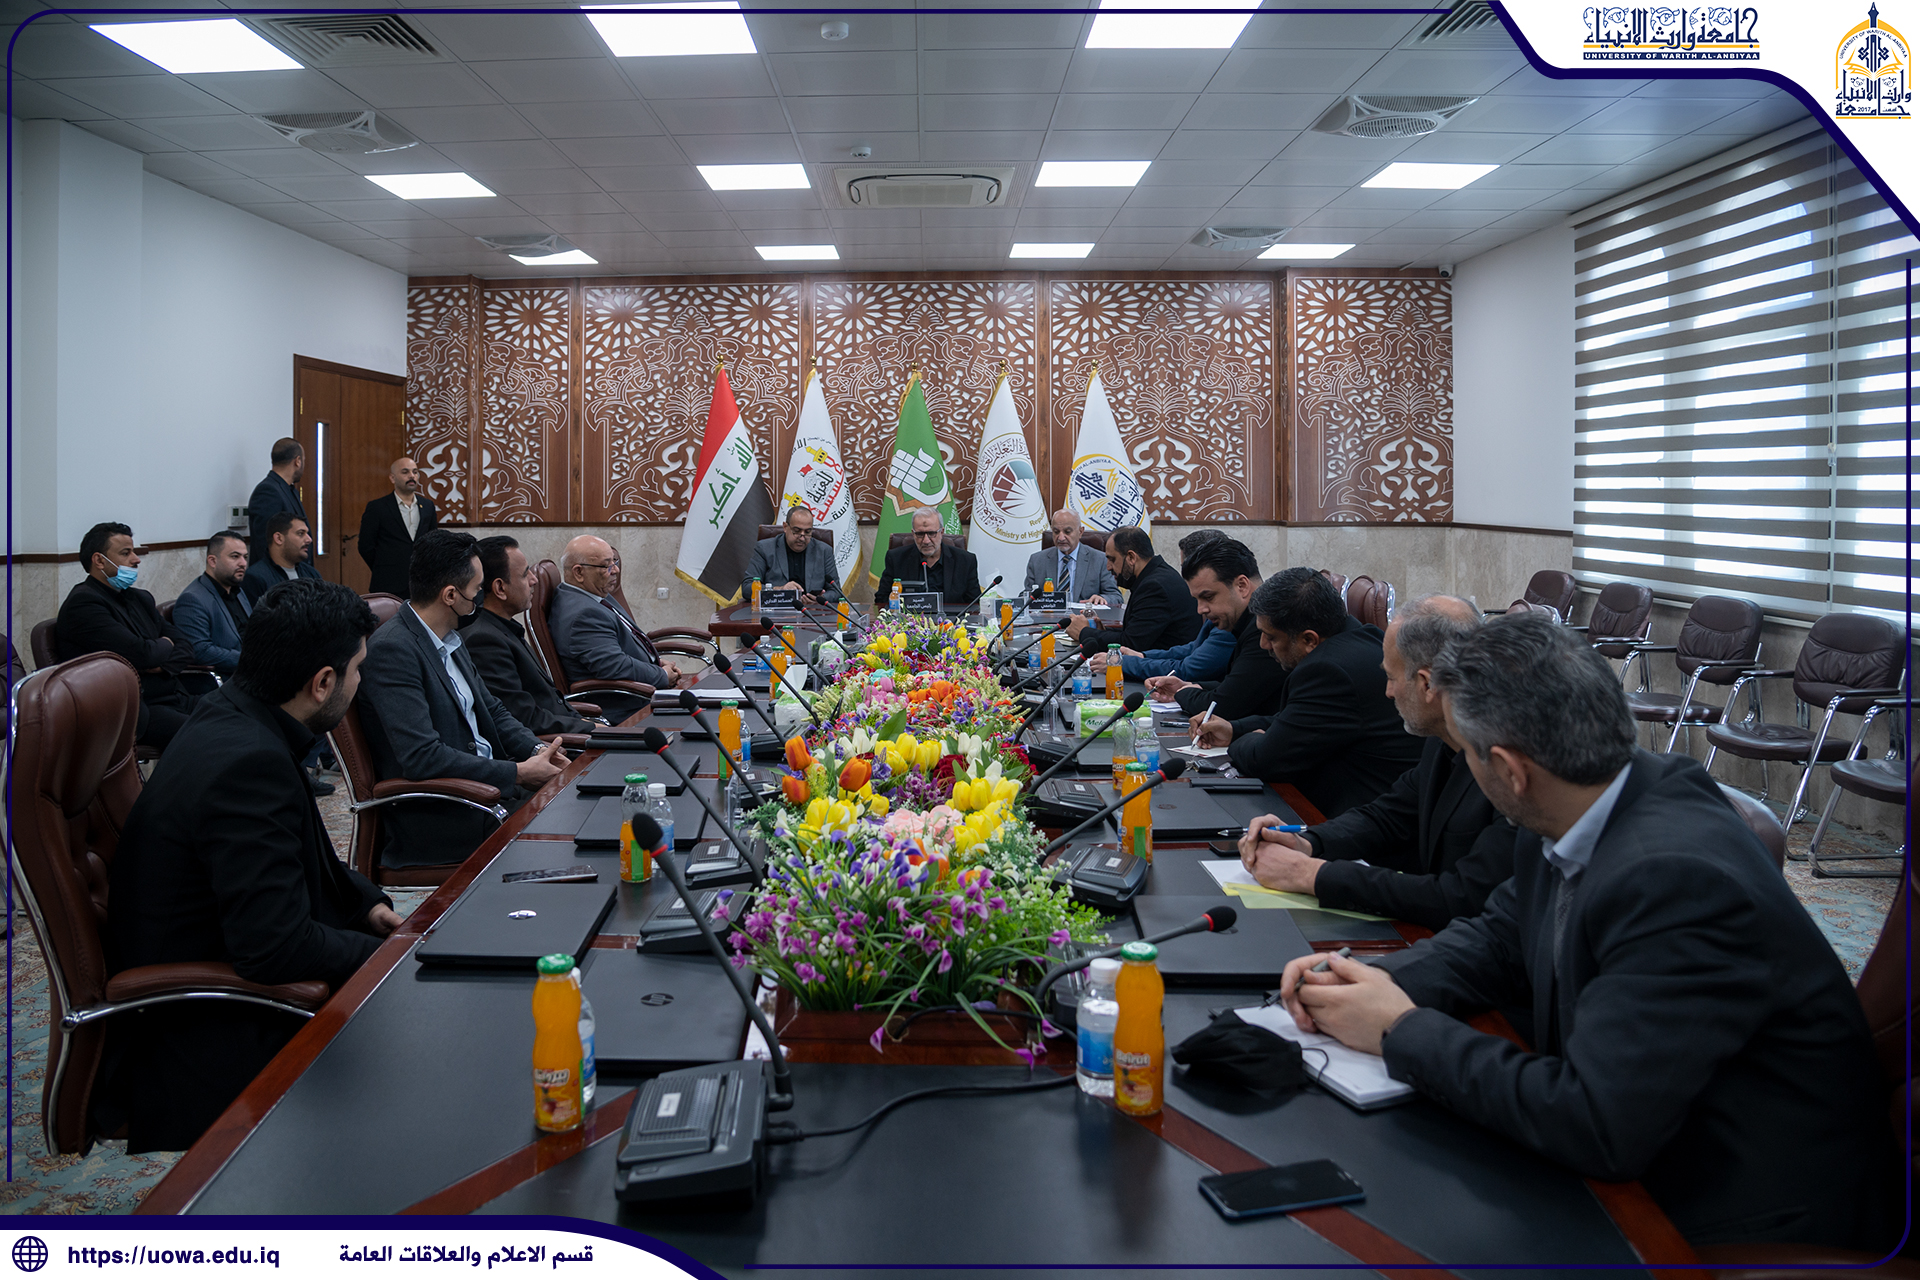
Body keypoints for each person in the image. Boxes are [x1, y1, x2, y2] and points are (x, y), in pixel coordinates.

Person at [1276, 614, 1898, 1251]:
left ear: (1510, 771)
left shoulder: (1675, 880)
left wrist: (1398, 1029)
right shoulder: (1588, 797)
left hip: (1744, 1208)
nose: (1463, 766)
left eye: (1466, 753)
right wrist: (1365, 979)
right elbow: (1497, 937)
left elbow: (1598, 1123)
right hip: (1650, 1142)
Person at [104, 579, 395, 1152]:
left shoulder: (240, 715)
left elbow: (301, 857)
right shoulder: (247, 763)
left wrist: (366, 905)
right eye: (358, 670)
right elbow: (274, 948)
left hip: (224, 984)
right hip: (210, 1034)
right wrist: (392, 957)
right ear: (322, 683)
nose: (361, 683)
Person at [1236, 595, 1516, 930]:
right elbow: (1389, 816)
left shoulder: (1507, 766)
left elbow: (1461, 897)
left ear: (1427, 684)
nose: (1387, 692)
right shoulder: (1441, 739)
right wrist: (1307, 842)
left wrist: (1311, 875)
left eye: (1392, 678)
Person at [355, 529, 567, 868]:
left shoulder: (449, 637)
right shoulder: (393, 651)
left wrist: (538, 751)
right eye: (477, 590)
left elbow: (493, 711)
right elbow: (422, 757)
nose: (481, 597)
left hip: (491, 795)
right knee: (573, 839)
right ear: (451, 595)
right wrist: (517, 772)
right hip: (451, 813)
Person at [1192, 567, 1420, 818]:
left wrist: (1244, 741)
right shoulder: (1364, 636)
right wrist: (1235, 729)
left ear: (1309, 640)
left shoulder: (1327, 671)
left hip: (1354, 818)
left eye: (1271, 637)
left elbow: (1267, 760)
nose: (1263, 645)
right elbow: (1297, 721)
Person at [54, 522, 197, 751]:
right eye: (125, 553)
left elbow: (186, 645)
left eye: (134, 551)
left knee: (238, 715)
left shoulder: (139, 598)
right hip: (134, 710)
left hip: (174, 694)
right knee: (207, 736)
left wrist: (160, 664)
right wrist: (163, 645)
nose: (136, 559)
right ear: (99, 560)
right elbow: (142, 654)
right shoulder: (83, 604)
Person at [1138, 537, 1286, 722]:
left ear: (1242, 586)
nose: (1201, 609)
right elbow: (1240, 685)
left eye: (1208, 597)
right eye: (1197, 600)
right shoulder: (1245, 622)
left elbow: (1224, 706)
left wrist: (1182, 693)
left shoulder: (1266, 630)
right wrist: (1191, 686)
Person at [462, 535, 596, 737]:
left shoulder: (504, 627)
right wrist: (592, 729)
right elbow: (524, 719)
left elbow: (548, 702)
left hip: (570, 730)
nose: (534, 580)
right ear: (500, 588)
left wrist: (585, 723)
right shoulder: (484, 641)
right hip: (555, 746)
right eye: (525, 574)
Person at [549, 534, 696, 696]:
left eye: (614, 562)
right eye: (606, 566)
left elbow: (617, 650)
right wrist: (662, 675)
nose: (616, 570)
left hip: (639, 688)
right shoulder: (583, 615)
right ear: (578, 572)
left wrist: (656, 662)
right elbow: (615, 667)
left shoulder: (592, 594)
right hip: (627, 701)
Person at [1114, 529, 1235, 685]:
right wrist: (1143, 656)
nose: (1200, 609)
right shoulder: (1220, 611)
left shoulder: (1228, 618)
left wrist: (1122, 663)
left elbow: (1187, 670)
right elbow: (1194, 648)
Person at [1068, 526, 1202, 657]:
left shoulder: (1154, 587)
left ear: (1131, 557)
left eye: (1112, 559)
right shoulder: (1154, 576)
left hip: (1167, 667)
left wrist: (1084, 632)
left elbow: (1131, 645)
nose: (1108, 567)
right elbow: (1136, 633)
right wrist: (1102, 632)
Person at [169, 531, 252, 677]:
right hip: (229, 676)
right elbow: (200, 651)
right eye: (235, 556)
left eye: (245, 557)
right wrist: (252, 660)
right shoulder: (192, 599)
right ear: (212, 561)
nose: (243, 563)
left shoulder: (238, 591)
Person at [357, 456, 439, 597]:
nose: (411, 476)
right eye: (405, 472)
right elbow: (366, 546)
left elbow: (433, 541)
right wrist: (383, 566)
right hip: (388, 582)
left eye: (415, 472)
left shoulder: (427, 506)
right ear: (392, 478)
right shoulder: (377, 507)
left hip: (422, 582)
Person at [873, 507, 982, 610]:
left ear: (941, 532)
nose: (926, 541)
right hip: (909, 620)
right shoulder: (896, 559)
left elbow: (974, 604)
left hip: (951, 621)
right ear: (913, 534)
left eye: (931, 533)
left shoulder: (965, 561)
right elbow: (882, 600)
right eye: (920, 534)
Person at [741, 505, 839, 602]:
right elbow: (747, 588)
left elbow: (836, 592)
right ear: (785, 527)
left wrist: (820, 599)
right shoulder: (765, 549)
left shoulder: (824, 551)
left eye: (807, 532)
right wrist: (779, 590)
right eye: (796, 531)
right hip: (777, 609)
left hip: (812, 609)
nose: (802, 538)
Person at [1022, 509, 1118, 604]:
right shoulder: (1037, 561)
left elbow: (1115, 596)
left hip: (1084, 613)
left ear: (1080, 532)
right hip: (1049, 613)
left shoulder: (1100, 560)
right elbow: (1025, 597)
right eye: (1056, 532)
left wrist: (1102, 598)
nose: (1061, 538)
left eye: (1067, 532)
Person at [247, 437, 307, 567]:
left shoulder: (290, 490)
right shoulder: (268, 491)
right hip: (277, 574)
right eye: (303, 460)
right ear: (297, 461)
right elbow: (266, 543)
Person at [243, 512, 322, 606]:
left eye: (307, 533)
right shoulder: (256, 578)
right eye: (301, 533)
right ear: (279, 538)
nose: (309, 539)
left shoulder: (311, 574)